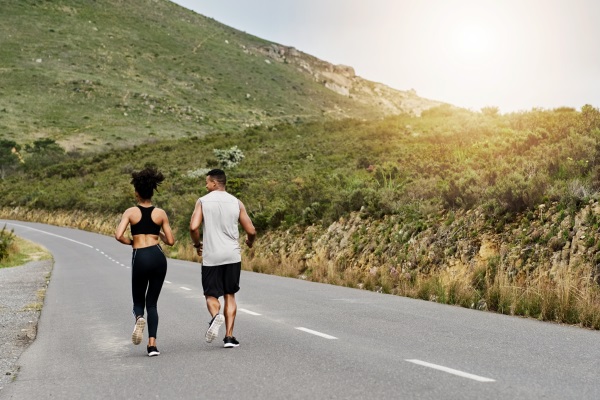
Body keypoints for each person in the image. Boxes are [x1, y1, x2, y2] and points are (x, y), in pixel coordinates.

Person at [189, 168, 256, 348]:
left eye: (207, 182)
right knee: (230, 295)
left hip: (212, 256)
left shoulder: (202, 201)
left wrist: (197, 245)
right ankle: (229, 337)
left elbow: (193, 227)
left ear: (214, 183)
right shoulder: (236, 202)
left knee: (211, 294)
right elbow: (251, 230)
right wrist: (250, 242)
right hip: (232, 254)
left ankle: (215, 317)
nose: (205, 185)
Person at [115, 167, 175, 357]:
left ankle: (139, 318)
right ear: (152, 192)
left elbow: (118, 235)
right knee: (153, 303)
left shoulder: (131, 212)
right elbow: (171, 241)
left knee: (138, 299)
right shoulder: (161, 213)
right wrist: (157, 232)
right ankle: (152, 346)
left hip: (140, 255)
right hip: (158, 256)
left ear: (137, 192)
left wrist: (133, 242)